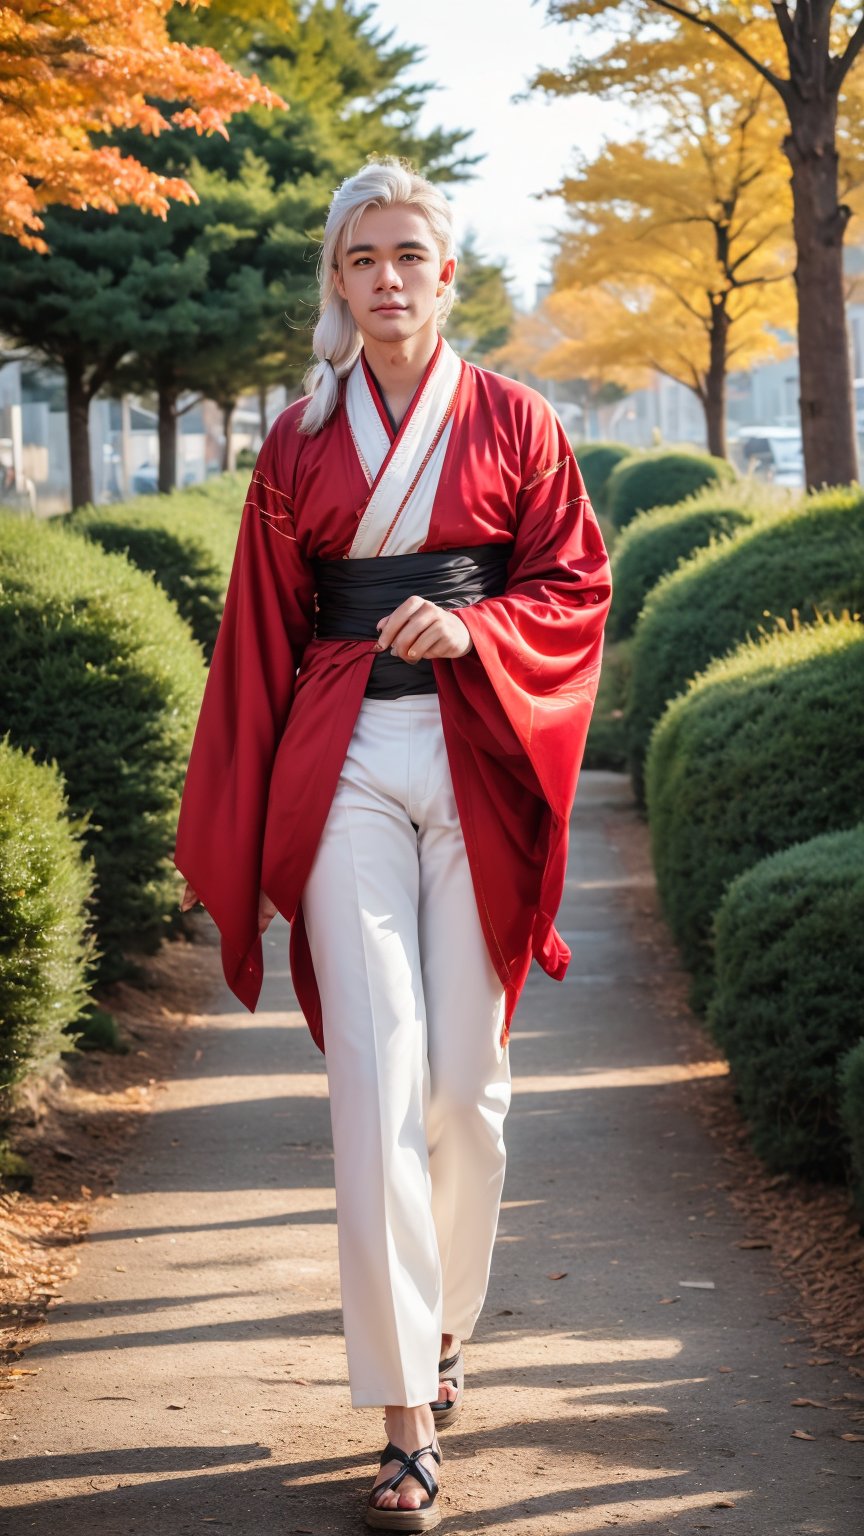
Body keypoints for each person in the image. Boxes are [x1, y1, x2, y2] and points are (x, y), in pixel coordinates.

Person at [174, 157, 611, 1530]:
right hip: (345, 757)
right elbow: (260, 632)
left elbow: (575, 582)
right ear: (337, 278)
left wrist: (477, 626)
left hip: (478, 752)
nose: (386, 279)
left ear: (447, 271)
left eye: (408, 254)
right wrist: (241, 823)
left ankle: (443, 1319)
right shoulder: (298, 442)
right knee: (373, 1081)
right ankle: (404, 1413)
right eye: (360, 258)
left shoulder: (519, 421)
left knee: (464, 1096)